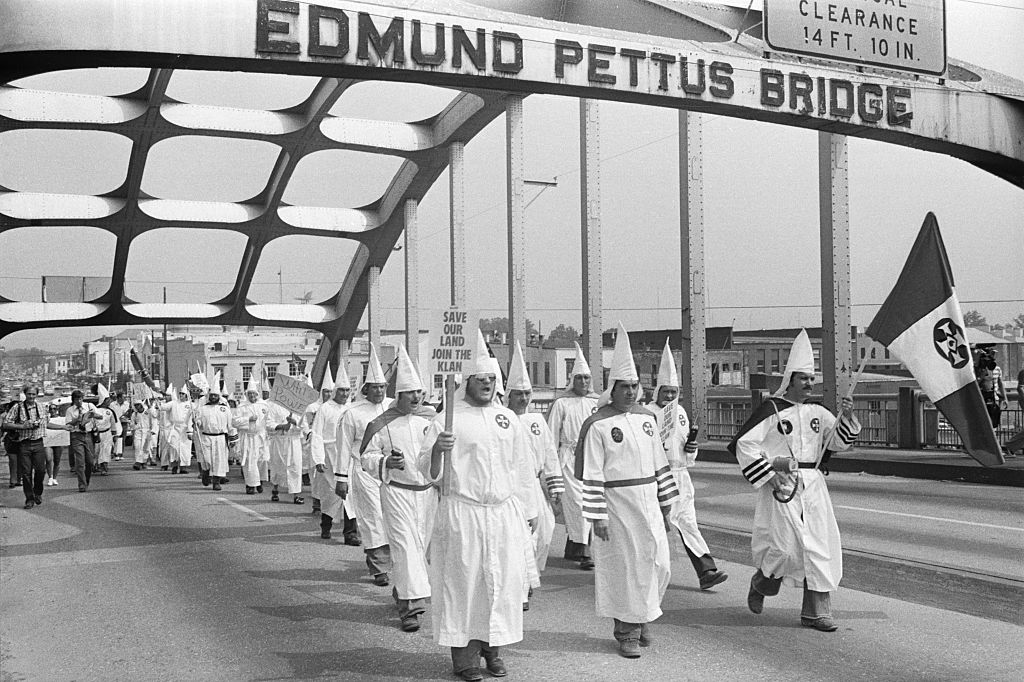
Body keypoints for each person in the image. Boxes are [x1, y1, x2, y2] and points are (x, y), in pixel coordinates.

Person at [420, 330, 538, 682]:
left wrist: (529, 512)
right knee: (465, 585)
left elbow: (522, 468)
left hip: (502, 513)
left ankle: (494, 649)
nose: (486, 384)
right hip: (464, 513)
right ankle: (466, 658)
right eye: (479, 379)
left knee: (501, 584)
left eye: (491, 379)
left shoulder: (508, 419)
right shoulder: (447, 419)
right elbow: (427, 470)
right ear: (466, 381)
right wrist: (439, 450)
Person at [728, 329, 861, 633]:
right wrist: (769, 475)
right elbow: (745, 444)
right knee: (785, 548)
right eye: (804, 379)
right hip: (782, 484)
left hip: (812, 484)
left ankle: (817, 612)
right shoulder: (771, 410)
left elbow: (836, 444)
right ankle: (762, 583)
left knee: (819, 545)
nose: (810, 384)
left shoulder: (818, 412)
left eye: (812, 380)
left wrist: (846, 419)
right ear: (791, 380)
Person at [575, 323, 679, 659]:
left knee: (658, 563)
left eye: (635, 386)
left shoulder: (647, 418)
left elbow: (660, 462)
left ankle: (644, 612)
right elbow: (589, 472)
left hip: (648, 498)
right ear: (613, 388)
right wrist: (596, 515)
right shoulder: (598, 424)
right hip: (617, 502)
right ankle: (627, 631)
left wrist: (666, 503)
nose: (631, 392)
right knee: (626, 566)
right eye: (625, 387)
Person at [360, 344, 438, 633]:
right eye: (409, 393)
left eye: (419, 392)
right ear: (399, 395)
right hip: (398, 494)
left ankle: (404, 592)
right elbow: (365, 457)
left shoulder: (431, 419)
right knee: (405, 550)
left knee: (422, 551)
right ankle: (410, 609)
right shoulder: (381, 424)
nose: (416, 398)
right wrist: (385, 462)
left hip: (427, 494)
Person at [649, 339, 728, 591]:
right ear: (657, 391)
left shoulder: (680, 412)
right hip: (658, 479)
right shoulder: (647, 413)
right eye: (666, 391)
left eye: (674, 391)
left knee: (688, 522)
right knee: (656, 526)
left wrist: (692, 450)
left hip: (681, 476)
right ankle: (646, 571)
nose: (670, 396)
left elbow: (686, 448)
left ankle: (707, 571)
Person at [504, 340, 563, 605]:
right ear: (509, 395)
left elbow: (550, 455)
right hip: (511, 489)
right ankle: (521, 585)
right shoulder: (502, 420)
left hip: (535, 488)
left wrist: (555, 492)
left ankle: (529, 576)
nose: (524, 398)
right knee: (518, 537)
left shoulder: (537, 421)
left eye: (527, 393)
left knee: (544, 532)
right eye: (519, 394)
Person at [337, 344, 393, 586]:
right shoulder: (353, 413)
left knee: (393, 517)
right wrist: (341, 478)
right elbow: (343, 446)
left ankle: (396, 560)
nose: (379, 391)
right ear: (365, 388)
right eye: (375, 387)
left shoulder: (394, 407)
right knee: (374, 518)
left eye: (382, 386)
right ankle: (379, 566)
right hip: (365, 471)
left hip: (392, 473)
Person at [547, 341, 600, 570]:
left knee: (591, 502)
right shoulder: (562, 403)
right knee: (577, 504)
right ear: (572, 379)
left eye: (587, 378)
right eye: (579, 378)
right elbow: (551, 434)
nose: (583, 382)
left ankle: (575, 546)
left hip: (592, 458)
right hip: (569, 458)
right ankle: (584, 551)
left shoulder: (596, 403)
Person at [309, 363, 352, 539]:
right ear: (335, 391)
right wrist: (318, 459)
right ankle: (326, 525)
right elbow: (317, 434)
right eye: (341, 390)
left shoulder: (351, 409)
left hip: (348, 456)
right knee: (331, 494)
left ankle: (350, 533)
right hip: (329, 454)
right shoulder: (325, 409)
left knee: (350, 494)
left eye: (347, 390)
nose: (345, 394)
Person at [2, 385, 54, 508]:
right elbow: (6, 424)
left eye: (34, 394)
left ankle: (37, 492)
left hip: (38, 443)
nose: (31, 397)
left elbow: (47, 423)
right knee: (26, 473)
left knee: (41, 470)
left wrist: (63, 427)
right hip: (24, 444)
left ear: (37, 395)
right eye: (29, 394)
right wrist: (22, 426)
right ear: (25, 394)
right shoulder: (18, 407)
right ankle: (29, 499)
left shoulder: (42, 407)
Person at [266, 382, 305, 503]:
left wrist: (294, 422)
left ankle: (296, 494)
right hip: (279, 440)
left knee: (295, 466)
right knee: (278, 465)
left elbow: (304, 425)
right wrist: (282, 426)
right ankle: (275, 489)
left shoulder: (298, 407)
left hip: (293, 441)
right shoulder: (274, 406)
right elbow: (268, 423)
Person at [195, 386, 235, 491]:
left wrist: (233, 438)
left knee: (219, 460)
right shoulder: (203, 408)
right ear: (209, 396)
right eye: (211, 395)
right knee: (206, 459)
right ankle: (206, 472)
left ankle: (216, 482)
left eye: (215, 395)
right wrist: (197, 422)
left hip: (220, 438)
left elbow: (230, 424)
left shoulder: (225, 409)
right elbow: (198, 422)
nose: (213, 397)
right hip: (206, 437)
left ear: (219, 396)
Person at [233, 378, 269, 494]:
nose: (252, 396)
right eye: (250, 394)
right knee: (250, 461)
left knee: (262, 460)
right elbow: (235, 422)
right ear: (247, 394)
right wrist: (248, 419)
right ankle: (250, 485)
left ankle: (260, 481)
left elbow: (268, 420)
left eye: (254, 394)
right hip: (248, 438)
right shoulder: (242, 407)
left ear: (257, 394)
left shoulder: (264, 405)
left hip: (261, 437)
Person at [64, 389, 98, 492]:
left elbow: (100, 416)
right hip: (76, 435)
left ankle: (86, 479)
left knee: (90, 461)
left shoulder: (89, 406)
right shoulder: (70, 410)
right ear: (73, 400)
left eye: (80, 399)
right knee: (80, 462)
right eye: (76, 399)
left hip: (87, 435)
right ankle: (82, 484)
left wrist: (90, 415)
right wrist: (77, 419)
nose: (78, 401)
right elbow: (68, 424)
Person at [93, 385, 121, 475]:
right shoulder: (96, 410)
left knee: (106, 451)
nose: (109, 401)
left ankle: (104, 468)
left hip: (107, 433)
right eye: (107, 400)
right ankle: (95, 465)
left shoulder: (110, 412)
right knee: (97, 451)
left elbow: (113, 424)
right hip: (97, 434)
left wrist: (114, 435)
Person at [44, 401, 69, 486]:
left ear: (57, 409)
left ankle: (54, 477)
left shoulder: (61, 419)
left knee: (57, 460)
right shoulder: (46, 418)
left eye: (54, 408)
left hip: (58, 441)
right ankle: (50, 477)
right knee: (48, 459)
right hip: (48, 441)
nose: (52, 410)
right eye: (50, 409)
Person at [110, 391, 129, 462]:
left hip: (124, 422)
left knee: (122, 439)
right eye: (123, 397)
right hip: (116, 422)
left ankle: (121, 454)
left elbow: (127, 413)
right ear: (119, 398)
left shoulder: (127, 404)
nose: (124, 399)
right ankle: (115, 453)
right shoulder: (112, 404)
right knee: (116, 438)